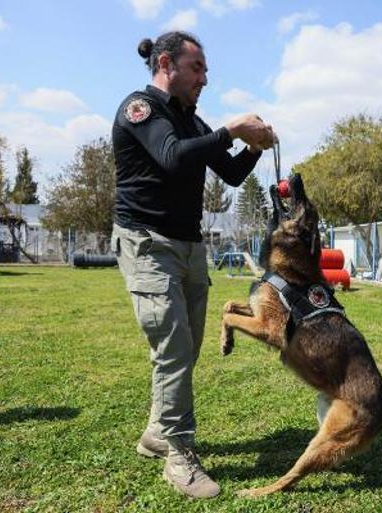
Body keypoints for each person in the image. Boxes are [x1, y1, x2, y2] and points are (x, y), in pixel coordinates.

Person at [110, 31, 275, 499]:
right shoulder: (140, 110)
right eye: (197, 68)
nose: (205, 77)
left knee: (187, 347)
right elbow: (169, 157)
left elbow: (232, 172)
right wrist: (233, 129)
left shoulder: (192, 120)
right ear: (167, 63)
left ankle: (156, 434)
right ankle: (179, 456)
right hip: (148, 244)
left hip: (188, 245)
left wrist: (256, 145)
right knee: (175, 346)